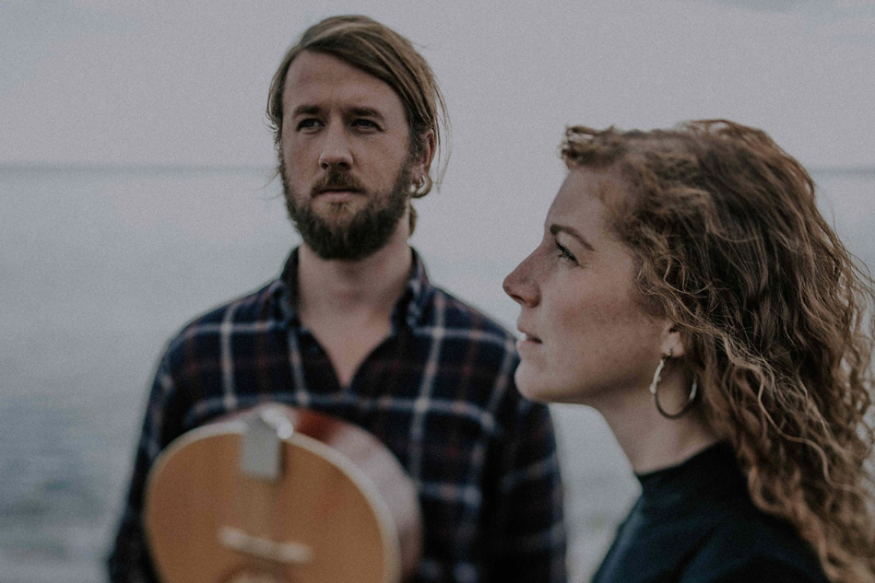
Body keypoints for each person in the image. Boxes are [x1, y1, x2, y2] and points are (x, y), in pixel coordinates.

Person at [107, 15, 567, 583]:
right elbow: (136, 566)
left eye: (363, 123)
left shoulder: (495, 372)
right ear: (282, 150)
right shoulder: (200, 359)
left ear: (421, 154)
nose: (332, 152)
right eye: (309, 123)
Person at [503, 120, 875, 583]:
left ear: (679, 320)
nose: (516, 282)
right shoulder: (671, 508)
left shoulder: (747, 566)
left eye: (565, 251)